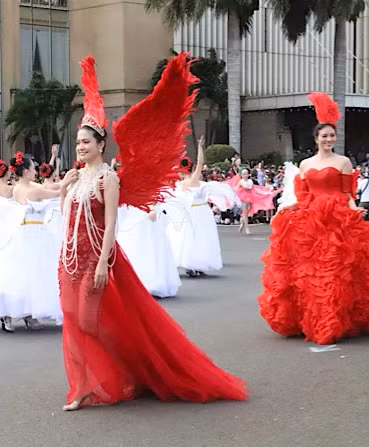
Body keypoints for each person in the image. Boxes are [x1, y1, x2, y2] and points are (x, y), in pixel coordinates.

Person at [58, 54, 248, 411]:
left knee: (88, 321)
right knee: (72, 321)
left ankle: (136, 362)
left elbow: (111, 222)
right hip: (68, 259)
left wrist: (102, 263)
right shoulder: (78, 176)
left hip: (95, 259)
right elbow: (67, 217)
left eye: (86, 142)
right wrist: (64, 189)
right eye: (78, 142)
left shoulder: (107, 177)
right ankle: (82, 386)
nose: (80, 146)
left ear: (101, 145)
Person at [258, 93, 369, 345]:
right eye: (324, 136)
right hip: (311, 218)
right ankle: (309, 317)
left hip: (336, 218)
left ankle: (335, 317)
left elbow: (347, 193)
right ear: (316, 139)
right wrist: (289, 207)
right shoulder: (305, 164)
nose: (328, 139)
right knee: (310, 270)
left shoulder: (343, 162)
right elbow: (303, 196)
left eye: (331, 136)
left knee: (337, 269)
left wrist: (354, 208)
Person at [0, 152, 63, 332]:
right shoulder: (32, 190)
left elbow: (51, 187)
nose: (35, 171)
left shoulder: (19, 187)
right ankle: (16, 314)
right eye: (33, 168)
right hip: (32, 233)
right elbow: (57, 191)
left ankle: (27, 314)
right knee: (30, 275)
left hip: (29, 232)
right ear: (26, 171)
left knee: (26, 275)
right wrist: (70, 180)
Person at [167, 137, 224, 277]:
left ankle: (197, 264)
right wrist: (199, 147)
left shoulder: (181, 183)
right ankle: (193, 264)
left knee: (198, 237)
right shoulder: (190, 181)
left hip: (199, 210)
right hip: (197, 211)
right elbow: (201, 164)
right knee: (197, 237)